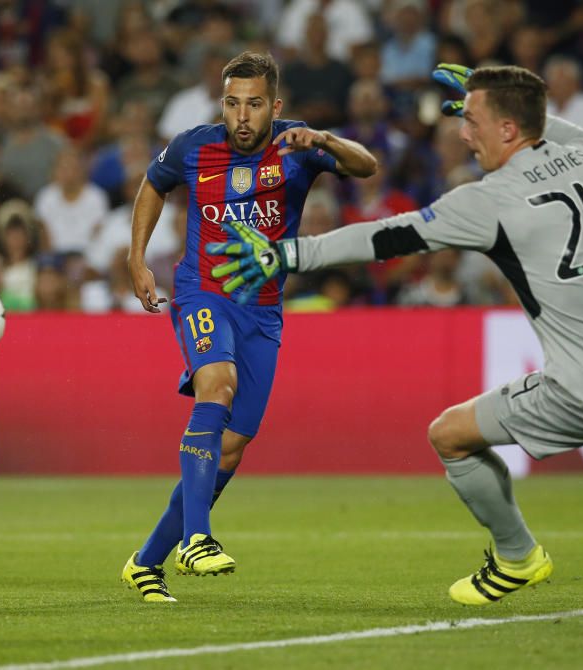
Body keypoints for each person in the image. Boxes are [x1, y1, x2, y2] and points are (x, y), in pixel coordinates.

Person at [207, 63, 583, 606]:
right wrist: (489, 84)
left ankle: (517, 556)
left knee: (449, 435)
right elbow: (556, 128)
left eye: (472, 119)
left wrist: (289, 255)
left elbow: (384, 237)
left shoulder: (491, 199)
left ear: (508, 130)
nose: (460, 130)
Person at [123, 51, 376, 603]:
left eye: (254, 104)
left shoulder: (299, 146)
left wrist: (327, 141)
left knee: (232, 446)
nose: (242, 116)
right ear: (223, 103)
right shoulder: (194, 145)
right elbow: (152, 184)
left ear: (274, 106)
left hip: (261, 308)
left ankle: (145, 562)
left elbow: (366, 167)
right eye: (233, 103)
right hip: (201, 293)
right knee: (217, 385)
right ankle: (197, 539)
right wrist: (137, 258)